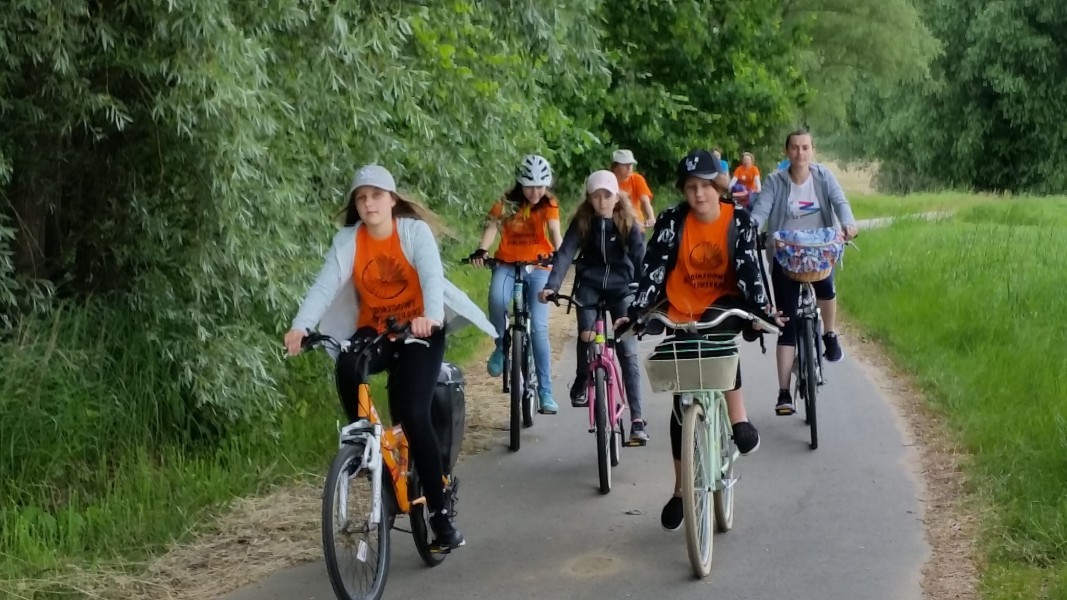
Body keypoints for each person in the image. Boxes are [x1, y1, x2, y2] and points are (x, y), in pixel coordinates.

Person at [284, 164, 496, 553]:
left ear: (392, 199)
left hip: (420, 330)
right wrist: (301, 325)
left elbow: (431, 277)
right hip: (378, 330)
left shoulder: (413, 232)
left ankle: (440, 513)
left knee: (413, 414)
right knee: (348, 362)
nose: (369, 204)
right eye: (361, 198)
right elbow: (324, 285)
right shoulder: (349, 241)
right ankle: (367, 450)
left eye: (376, 196)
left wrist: (431, 317)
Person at [618, 149, 782, 531]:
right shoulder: (671, 221)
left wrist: (762, 313)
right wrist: (638, 312)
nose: (698, 194)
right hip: (680, 305)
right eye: (690, 187)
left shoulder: (738, 221)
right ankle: (681, 490)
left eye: (705, 186)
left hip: (723, 303)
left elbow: (752, 271)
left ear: (718, 187)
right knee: (682, 394)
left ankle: (739, 421)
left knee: (718, 344)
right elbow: (653, 269)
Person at [750, 129, 859, 416]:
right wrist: (750, 228)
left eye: (805, 147)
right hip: (786, 254)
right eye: (795, 148)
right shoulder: (775, 181)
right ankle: (784, 393)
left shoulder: (823, 177)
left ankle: (829, 334)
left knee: (827, 290)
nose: (800, 153)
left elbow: (840, 202)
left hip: (819, 251)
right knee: (786, 323)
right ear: (787, 151)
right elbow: (761, 210)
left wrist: (848, 224)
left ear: (813, 150)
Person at [538, 170, 649, 443]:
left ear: (616, 197)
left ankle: (636, 418)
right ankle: (581, 378)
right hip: (589, 286)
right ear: (588, 198)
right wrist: (552, 285)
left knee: (627, 348)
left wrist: (646, 289)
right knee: (587, 335)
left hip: (621, 288)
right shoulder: (583, 221)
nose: (602, 201)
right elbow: (565, 253)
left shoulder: (627, 222)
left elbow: (640, 255)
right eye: (596, 196)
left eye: (607, 196)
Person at [468, 154, 563, 414]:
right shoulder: (505, 203)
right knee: (496, 299)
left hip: (539, 266)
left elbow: (555, 232)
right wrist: (482, 249)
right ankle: (502, 345)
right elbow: (491, 227)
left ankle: (545, 391)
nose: (535, 192)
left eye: (540, 186)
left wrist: (560, 254)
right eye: (530, 186)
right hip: (508, 264)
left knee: (539, 329)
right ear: (520, 183)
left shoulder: (549, 203)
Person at [610, 149, 656, 229]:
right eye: (625, 164)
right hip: (614, 224)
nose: (629, 167)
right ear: (615, 166)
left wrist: (651, 217)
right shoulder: (608, 180)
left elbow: (645, 202)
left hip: (637, 225)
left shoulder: (637, 179)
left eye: (630, 164)